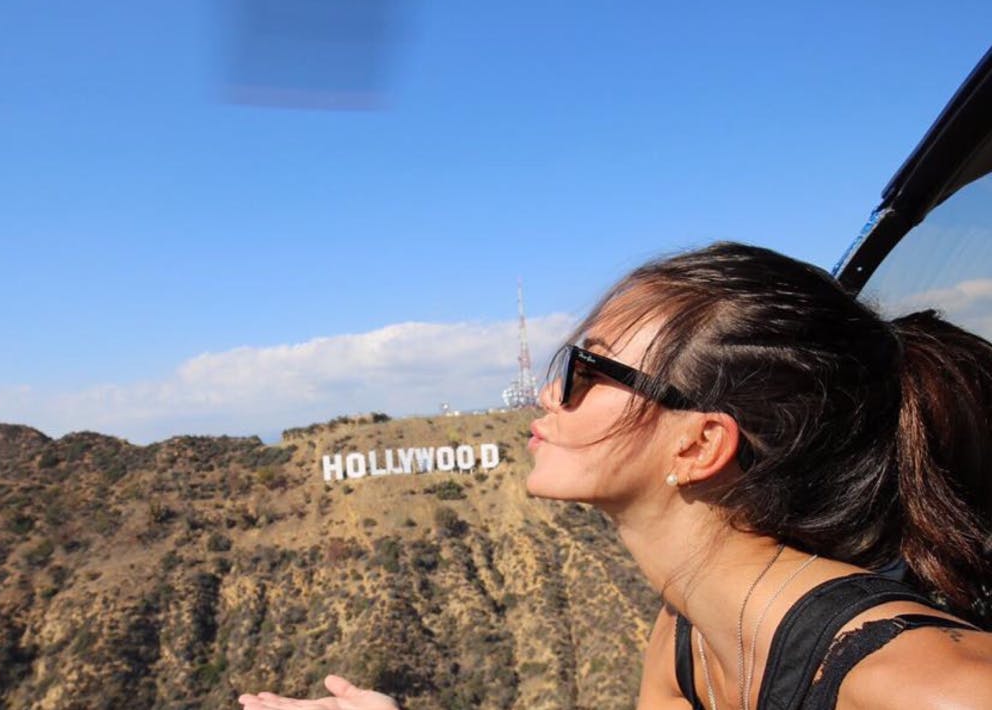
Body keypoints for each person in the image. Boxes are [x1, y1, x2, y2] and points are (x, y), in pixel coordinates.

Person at [238, 243, 992, 710]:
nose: (543, 395)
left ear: (699, 446)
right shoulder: (691, 636)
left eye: (585, 371)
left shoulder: (929, 690)